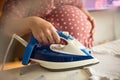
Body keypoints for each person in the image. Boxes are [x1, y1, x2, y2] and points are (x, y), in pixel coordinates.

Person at [0, 0, 95, 48]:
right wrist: (32, 22)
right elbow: (7, 26)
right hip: (47, 56)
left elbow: (79, 5)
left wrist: (88, 18)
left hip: (82, 46)